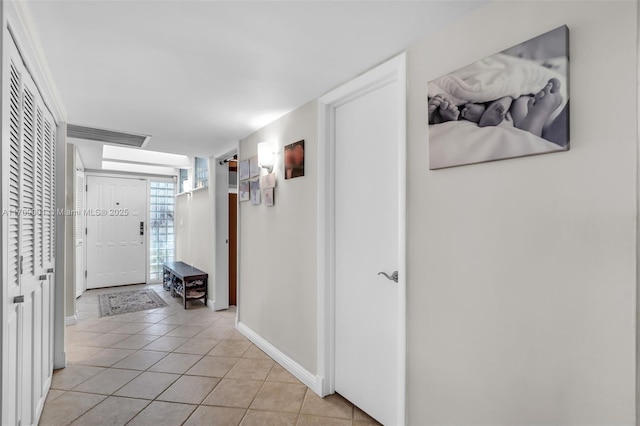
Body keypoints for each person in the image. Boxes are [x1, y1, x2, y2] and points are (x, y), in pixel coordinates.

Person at [428, 78, 563, 139]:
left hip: (514, 109)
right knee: (512, 95)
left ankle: (481, 111)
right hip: (516, 111)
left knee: (511, 95)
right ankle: (484, 110)